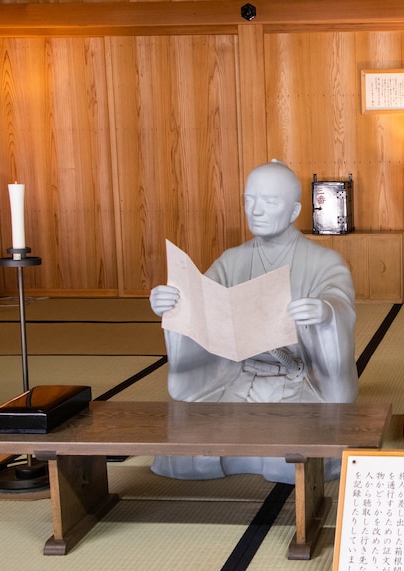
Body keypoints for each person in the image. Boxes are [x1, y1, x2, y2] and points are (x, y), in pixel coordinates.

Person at [148, 159, 358, 484]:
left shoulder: (323, 261)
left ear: (293, 211)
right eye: (249, 199)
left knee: (304, 458)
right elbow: (201, 305)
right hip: (237, 378)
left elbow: (338, 302)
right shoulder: (232, 260)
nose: (256, 210)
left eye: (270, 201)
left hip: (298, 382)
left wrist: (325, 313)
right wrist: (173, 303)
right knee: (181, 455)